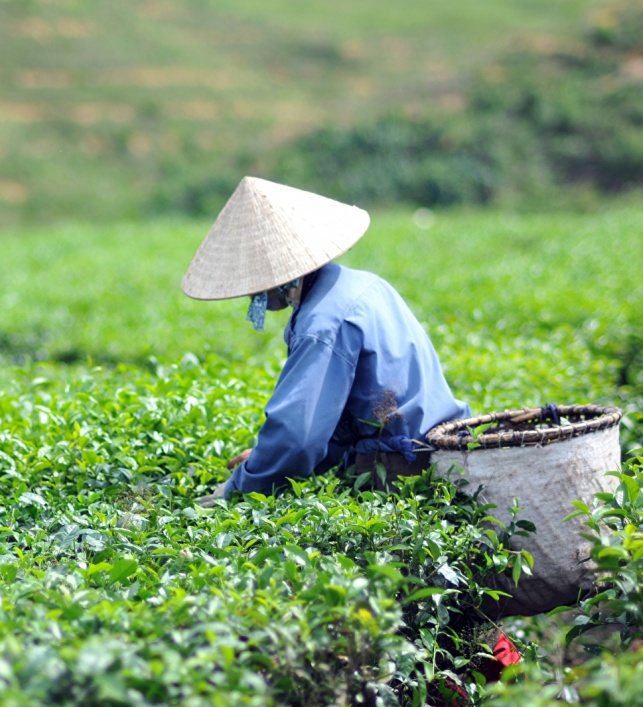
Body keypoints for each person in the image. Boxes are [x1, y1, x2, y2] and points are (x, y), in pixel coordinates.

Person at [182, 177, 469, 505]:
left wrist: (236, 491)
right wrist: (262, 457)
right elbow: (333, 423)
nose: (250, 292)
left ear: (278, 273)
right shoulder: (363, 285)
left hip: (406, 473)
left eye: (253, 278)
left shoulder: (322, 323)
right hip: (442, 450)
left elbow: (297, 438)